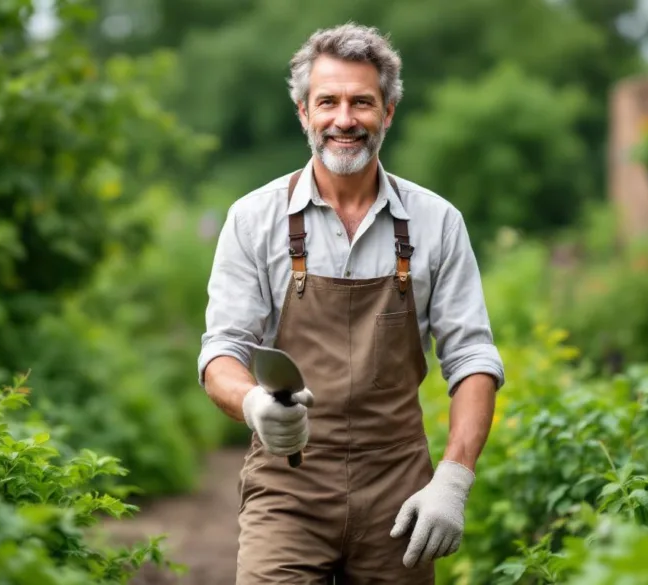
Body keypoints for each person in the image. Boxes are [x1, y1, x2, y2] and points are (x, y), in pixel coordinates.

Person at [198, 22, 505, 584]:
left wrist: (454, 479)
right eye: (328, 102)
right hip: (287, 488)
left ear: (387, 112)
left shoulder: (437, 222)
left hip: (400, 493)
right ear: (303, 113)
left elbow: (472, 359)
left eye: (362, 102)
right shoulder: (254, 218)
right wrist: (253, 407)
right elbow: (222, 352)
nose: (345, 119)